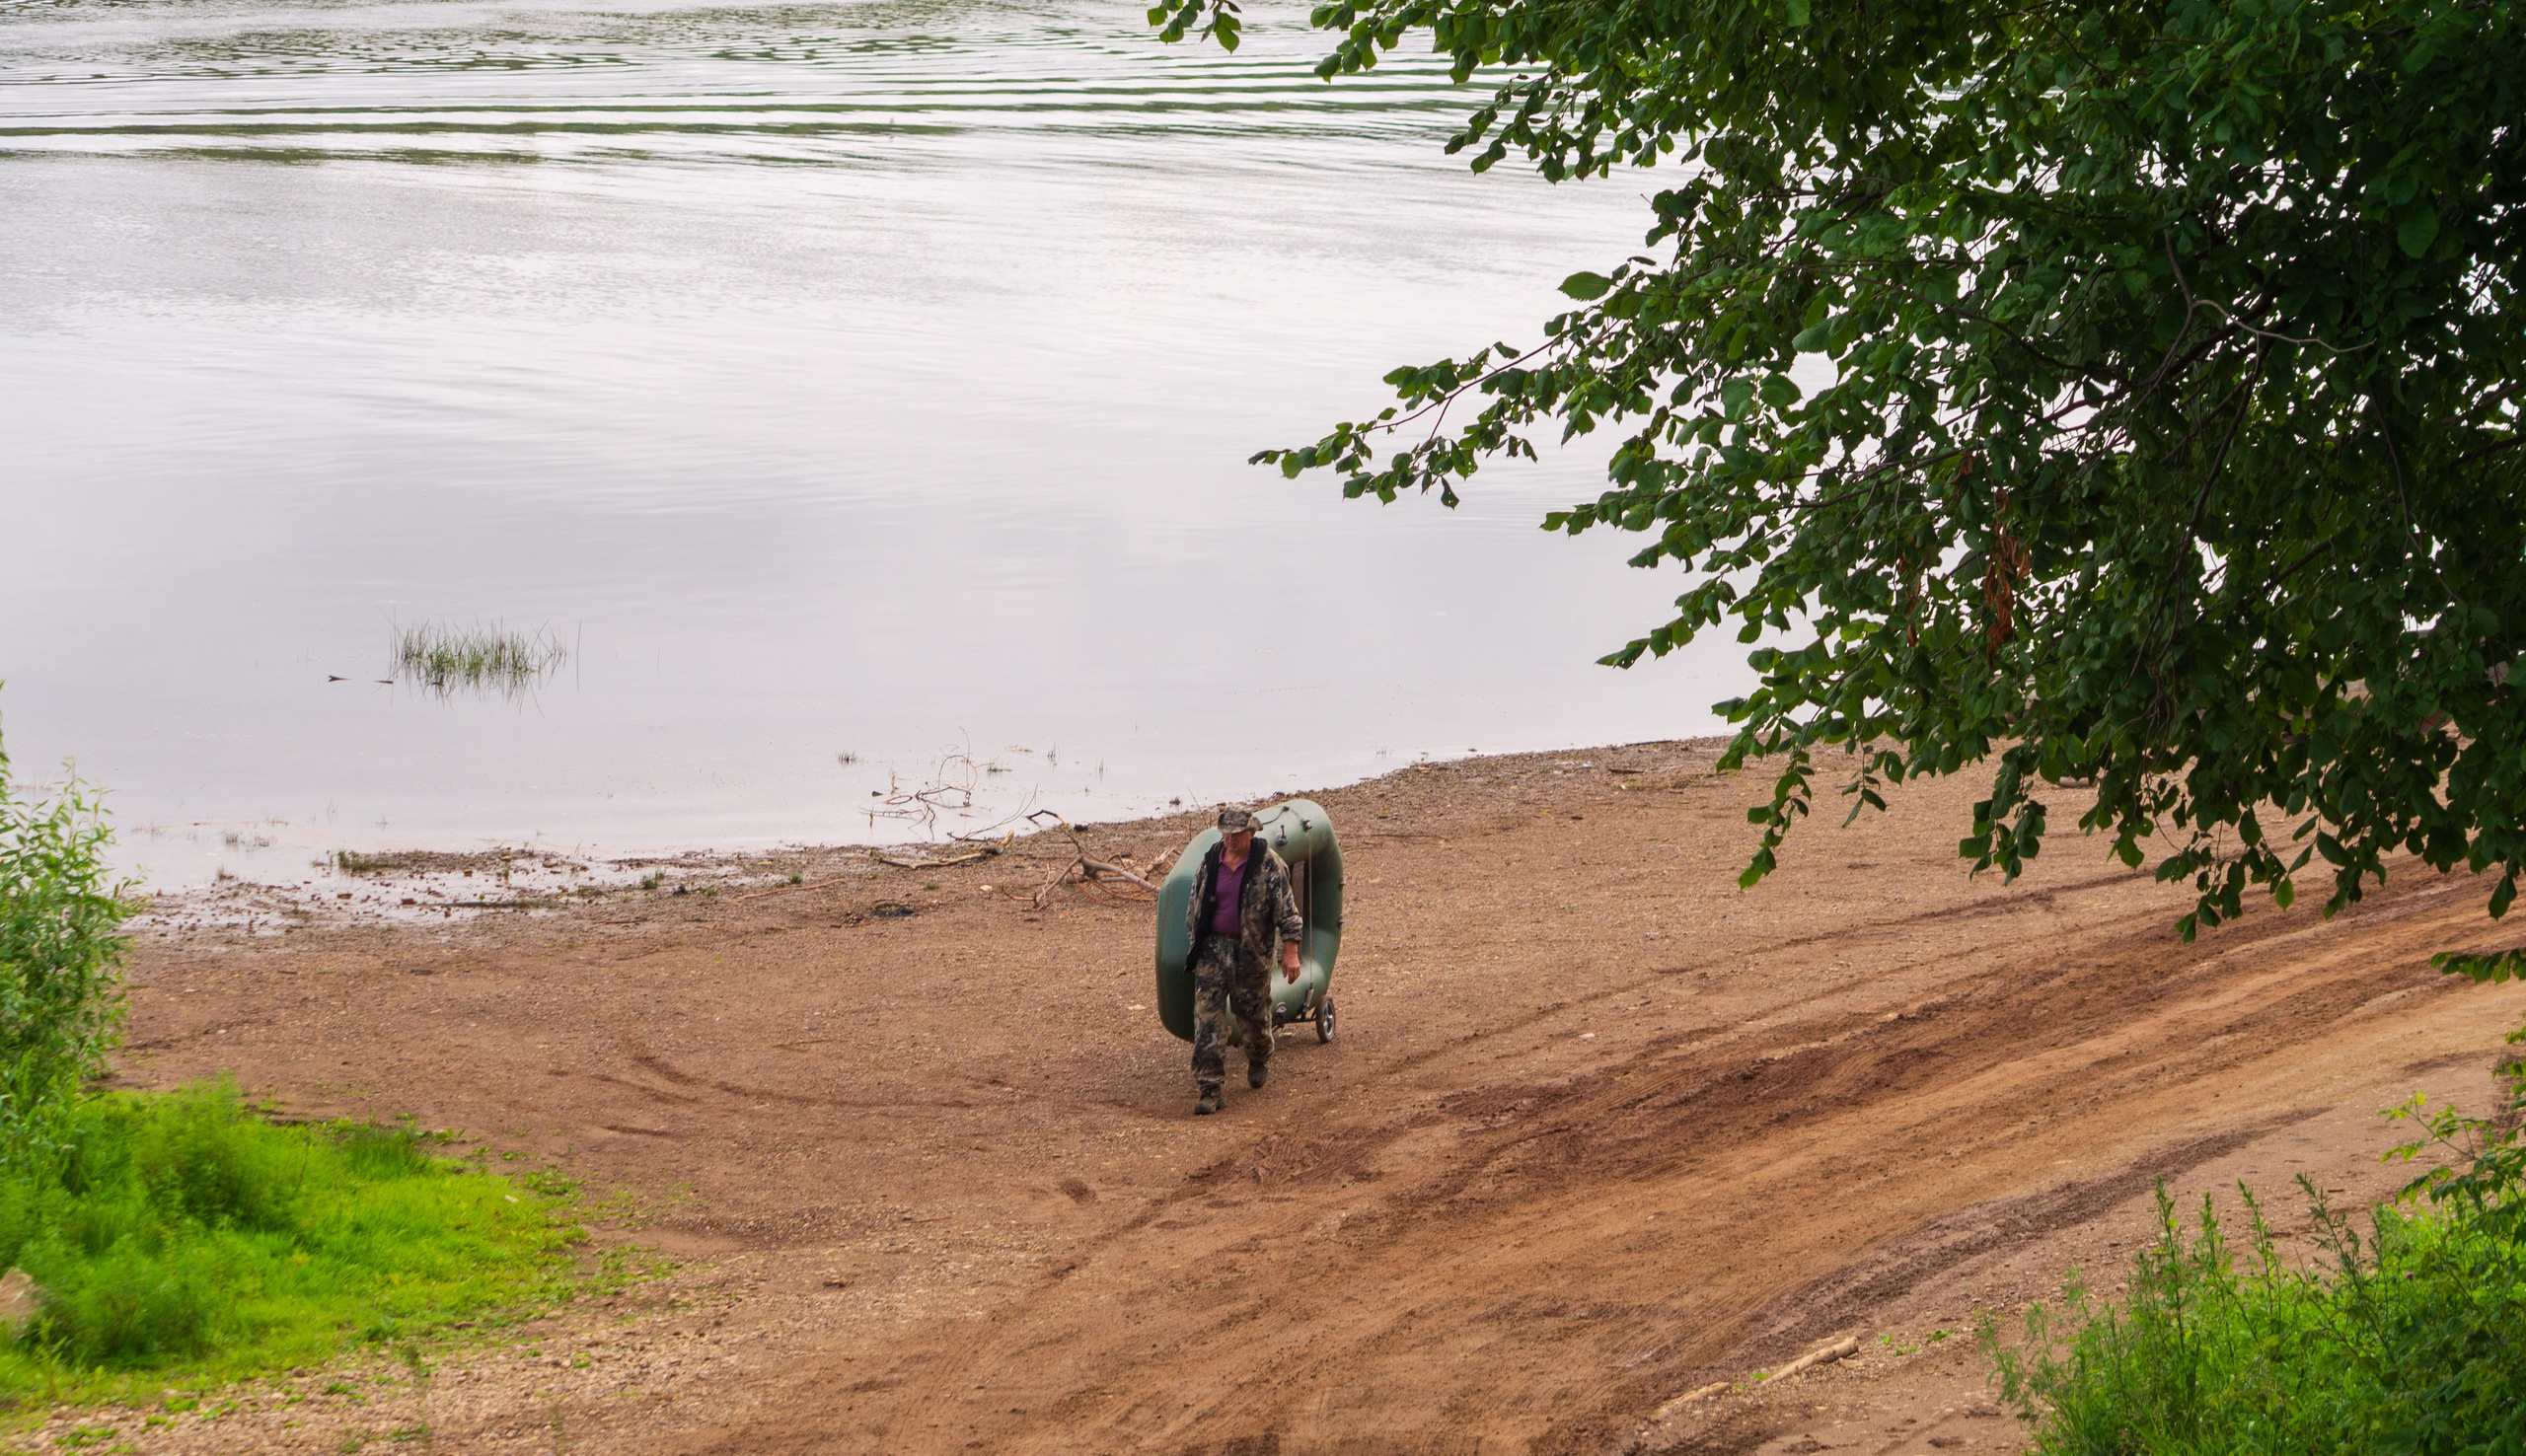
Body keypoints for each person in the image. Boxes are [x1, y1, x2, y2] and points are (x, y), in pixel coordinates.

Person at [1184, 805, 1303, 1116]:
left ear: (1251, 833)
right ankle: (1210, 1089)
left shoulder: (1270, 866)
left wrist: (1290, 953)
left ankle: (1260, 1055)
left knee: (1252, 1017)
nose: (1230, 839)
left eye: (1237, 834)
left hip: (1250, 954)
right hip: (1212, 950)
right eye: (1226, 833)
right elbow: (1194, 906)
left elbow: (1287, 913)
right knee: (1207, 1020)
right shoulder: (1210, 862)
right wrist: (1195, 946)